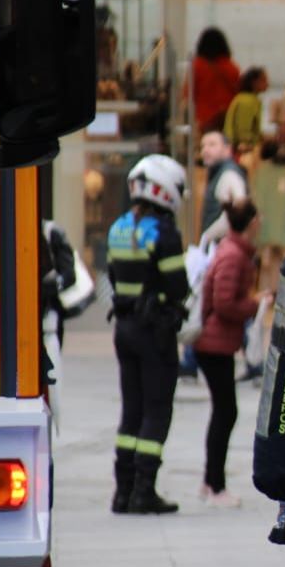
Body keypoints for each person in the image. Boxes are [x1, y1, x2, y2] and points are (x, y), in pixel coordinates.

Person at [106, 154, 192, 515]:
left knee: (131, 411)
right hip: (154, 333)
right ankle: (144, 491)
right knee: (156, 411)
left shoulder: (118, 227)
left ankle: (123, 491)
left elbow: (114, 278)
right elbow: (178, 287)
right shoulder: (163, 232)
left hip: (124, 329)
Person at [194, 200, 263, 508]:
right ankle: (215, 486)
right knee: (226, 412)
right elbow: (224, 303)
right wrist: (255, 304)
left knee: (223, 411)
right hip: (214, 344)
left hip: (216, 343)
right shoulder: (234, 254)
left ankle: (210, 481)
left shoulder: (232, 250)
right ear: (252, 222)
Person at [198, 129, 248, 248]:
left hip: (223, 248)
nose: (205, 150)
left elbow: (239, 209)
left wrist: (207, 237)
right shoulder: (218, 172)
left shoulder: (229, 174)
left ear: (227, 149)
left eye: (212, 144)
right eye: (202, 146)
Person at [191, 27, 240, 135]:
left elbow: (189, 94)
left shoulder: (197, 66)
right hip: (228, 116)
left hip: (205, 119)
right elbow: (239, 91)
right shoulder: (231, 67)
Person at [222, 66, 269, 153]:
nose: (267, 83)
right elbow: (243, 132)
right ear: (254, 82)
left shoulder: (249, 99)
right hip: (241, 149)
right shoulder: (247, 101)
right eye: (263, 80)